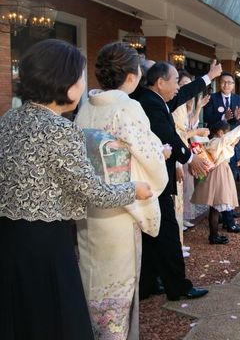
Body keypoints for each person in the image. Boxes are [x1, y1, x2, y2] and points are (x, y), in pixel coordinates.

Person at [0, 39, 152, 340]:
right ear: (65, 83)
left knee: (21, 316)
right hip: (46, 242)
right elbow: (92, 191)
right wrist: (133, 189)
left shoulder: (9, 118)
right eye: (80, 77)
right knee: (55, 317)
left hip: (10, 237)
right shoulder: (60, 130)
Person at [74, 42, 169, 340]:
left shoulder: (86, 106)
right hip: (120, 208)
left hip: (90, 210)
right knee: (119, 285)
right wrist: (161, 153)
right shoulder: (127, 107)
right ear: (131, 76)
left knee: (92, 279)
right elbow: (148, 157)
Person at [132, 60, 222, 301]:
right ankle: (178, 287)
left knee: (154, 234)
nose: (177, 87)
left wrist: (209, 77)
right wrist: (190, 158)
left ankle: (148, 283)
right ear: (160, 83)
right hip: (155, 182)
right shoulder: (150, 103)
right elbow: (168, 136)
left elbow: (182, 95)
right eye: (174, 81)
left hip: (153, 181)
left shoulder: (155, 99)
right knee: (169, 234)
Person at [192, 120, 240, 244]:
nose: (228, 134)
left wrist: (233, 143)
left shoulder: (217, 142)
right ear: (220, 132)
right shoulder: (216, 142)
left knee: (215, 207)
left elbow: (225, 150)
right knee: (215, 206)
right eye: (227, 132)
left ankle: (214, 234)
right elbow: (227, 140)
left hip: (221, 172)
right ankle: (213, 236)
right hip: (218, 173)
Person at [173, 69, 210, 257]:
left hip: (183, 153)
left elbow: (188, 127)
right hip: (177, 156)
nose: (186, 88)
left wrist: (198, 107)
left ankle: (179, 239)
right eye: (183, 84)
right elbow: (178, 134)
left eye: (189, 85)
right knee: (176, 199)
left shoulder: (183, 105)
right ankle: (175, 243)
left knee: (183, 194)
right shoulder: (174, 105)